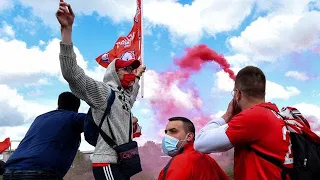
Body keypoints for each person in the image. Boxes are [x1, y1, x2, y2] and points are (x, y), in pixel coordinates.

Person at [56, 1, 146, 180]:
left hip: (121, 162)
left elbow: (133, 89)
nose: (130, 72)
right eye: (127, 69)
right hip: (106, 163)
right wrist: (67, 32)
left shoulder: (125, 99)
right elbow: (72, 75)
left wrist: (137, 75)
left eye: (132, 69)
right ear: (114, 72)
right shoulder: (104, 93)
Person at [194, 66, 293, 180]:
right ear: (263, 93)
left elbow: (200, 143)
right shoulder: (274, 113)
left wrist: (227, 115)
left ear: (237, 94)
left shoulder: (253, 117)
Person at [3, 92, 86, 180]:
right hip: (39, 171)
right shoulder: (74, 117)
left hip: (10, 170)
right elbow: (97, 122)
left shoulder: (40, 118)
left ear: (58, 104)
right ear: (77, 108)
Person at [158, 117, 229, 180]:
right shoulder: (209, 159)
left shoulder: (181, 161)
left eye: (173, 131)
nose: (167, 136)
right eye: (166, 132)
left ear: (189, 136)